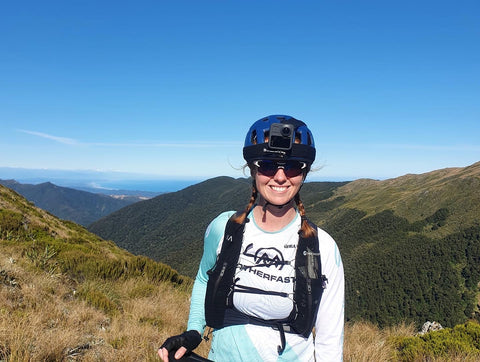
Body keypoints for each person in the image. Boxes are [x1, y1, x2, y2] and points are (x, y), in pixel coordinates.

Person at [159, 115, 344, 362]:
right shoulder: (224, 229)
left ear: (304, 173)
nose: (280, 177)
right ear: (253, 169)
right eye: (268, 164)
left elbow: (328, 341)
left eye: (292, 166)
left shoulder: (322, 247)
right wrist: (194, 330)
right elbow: (205, 278)